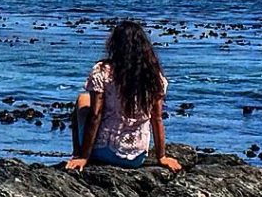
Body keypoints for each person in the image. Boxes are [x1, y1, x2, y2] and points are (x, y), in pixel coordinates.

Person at [67, 18, 182, 172]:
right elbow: (157, 117)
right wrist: (161, 156)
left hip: (102, 152)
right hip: (137, 157)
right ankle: (81, 155)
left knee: (83, 99)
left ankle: (77, 154)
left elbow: (96, 115)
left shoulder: (102, 70)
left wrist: (85, 157)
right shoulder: (154, 76)